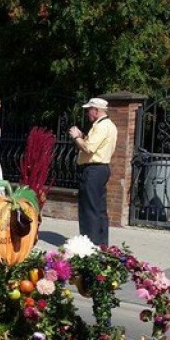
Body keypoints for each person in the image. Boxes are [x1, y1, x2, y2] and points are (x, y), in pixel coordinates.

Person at [68, 97, 117, 246]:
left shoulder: (101, 126)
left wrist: (76, 137)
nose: (87, 113)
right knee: (99, 208)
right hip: (100, 169)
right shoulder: (108, 125)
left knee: (89, 209)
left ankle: (90, 244)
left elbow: (88, 148)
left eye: (89, 109)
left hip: (93, 170)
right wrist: (83, 137)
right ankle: (101, 243)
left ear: (96, 110)